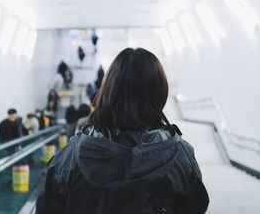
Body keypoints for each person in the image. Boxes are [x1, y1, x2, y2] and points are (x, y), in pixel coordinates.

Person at [36, 48, 209, 214]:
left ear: (109, 90)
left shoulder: (71, 157)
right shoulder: (180, 157)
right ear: (159, 92)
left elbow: (46, 207)